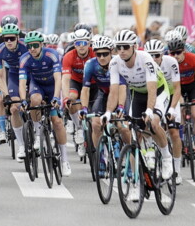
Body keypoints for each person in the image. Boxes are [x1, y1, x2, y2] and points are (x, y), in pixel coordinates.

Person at [103, 29, 173, 201]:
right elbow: (113, 92)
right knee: (134, 138)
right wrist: (107, 112)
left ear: (134, 46)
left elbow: (151, 89)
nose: (121, 51)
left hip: (158, 91)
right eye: (118, 47)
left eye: (125, 47)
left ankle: (166, 157)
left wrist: (150, 111)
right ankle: (136, 183)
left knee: (153, 123)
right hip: (136, 94)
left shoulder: (145, 59)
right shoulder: (115, 63)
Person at [19, 31, 71, 176]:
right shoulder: (24, 59)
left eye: (35, 45)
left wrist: (56, 98)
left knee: (57, 122)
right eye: (29, 46)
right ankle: (37, 134)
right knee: (34, 101)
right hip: (38, 86)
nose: (32, 48)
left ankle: (65, 160)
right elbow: (22, 83)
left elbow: (58, 79)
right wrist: (23, 100)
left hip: (52, 86)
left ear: (42, 44)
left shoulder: (52, 55)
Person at [80, 35, 128, 169]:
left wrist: (120, 106)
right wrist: (84, 108)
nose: (101, 57)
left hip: (121, 93)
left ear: (111, 52)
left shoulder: (118, 63)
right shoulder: (90, 65)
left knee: (121, 124)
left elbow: (122, 88)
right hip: (103, 93)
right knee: (95, 123)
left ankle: (127, 153)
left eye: (105, 54)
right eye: (98, 54)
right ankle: (100, 156)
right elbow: (85, 89)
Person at [145, 39, 183, 182]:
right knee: (149, 124)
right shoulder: (145, 65)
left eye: (157, 56)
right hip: (155, 95)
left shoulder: (171, 62)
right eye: (151, 56)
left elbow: (177, 88)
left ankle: (177, 170)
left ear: (162, 55)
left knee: (174, 132)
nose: (154, 59)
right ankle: (151, 150)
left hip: (171, 95)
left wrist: (172, 108)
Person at [168, 30, 195, 164]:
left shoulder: (194, 58)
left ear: (184, 51)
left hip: (192, 87)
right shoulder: (169, 62)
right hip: (178, 88)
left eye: (178, 52)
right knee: (180, 114)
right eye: (172, 53)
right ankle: (183, 144)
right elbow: (170, 84)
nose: (175, 56)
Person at [0, 23, 29, 161]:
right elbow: (0, 76)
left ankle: (38, 134)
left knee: (36, 102)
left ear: (17, 38)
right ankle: (21, 145)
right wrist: (6, 95)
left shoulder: (26, 46)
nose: (8, 41)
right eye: (5, 38)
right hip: (14, 74)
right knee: (14, 108)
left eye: (12, 39)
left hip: (30, 73)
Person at [61, 28, 95, 157]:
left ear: (89, 43)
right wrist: (65, 98)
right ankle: (79, 129)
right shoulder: (69, 56)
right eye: (78, 43)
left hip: (92, 83)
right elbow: (65, 79)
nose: (81, 46)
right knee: (72, 98)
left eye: (84, 43)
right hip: (76, 82)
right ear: (74, 44)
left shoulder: (95, 54)